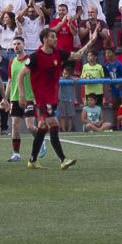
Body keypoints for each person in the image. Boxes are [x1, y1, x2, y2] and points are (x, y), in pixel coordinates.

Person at [17, 27, 89, 169]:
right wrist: (22, 95)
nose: (56, 39)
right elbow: (20, 75)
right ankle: (62, 159)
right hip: (42, 98)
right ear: (45, 39)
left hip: (53, 97)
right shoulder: (35, 57)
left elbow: (78, 55)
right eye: (52, 37)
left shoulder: (58, 54)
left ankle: (32, 160)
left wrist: (90, 42)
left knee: (43, 127)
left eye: (55, 37)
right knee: (54, 124)